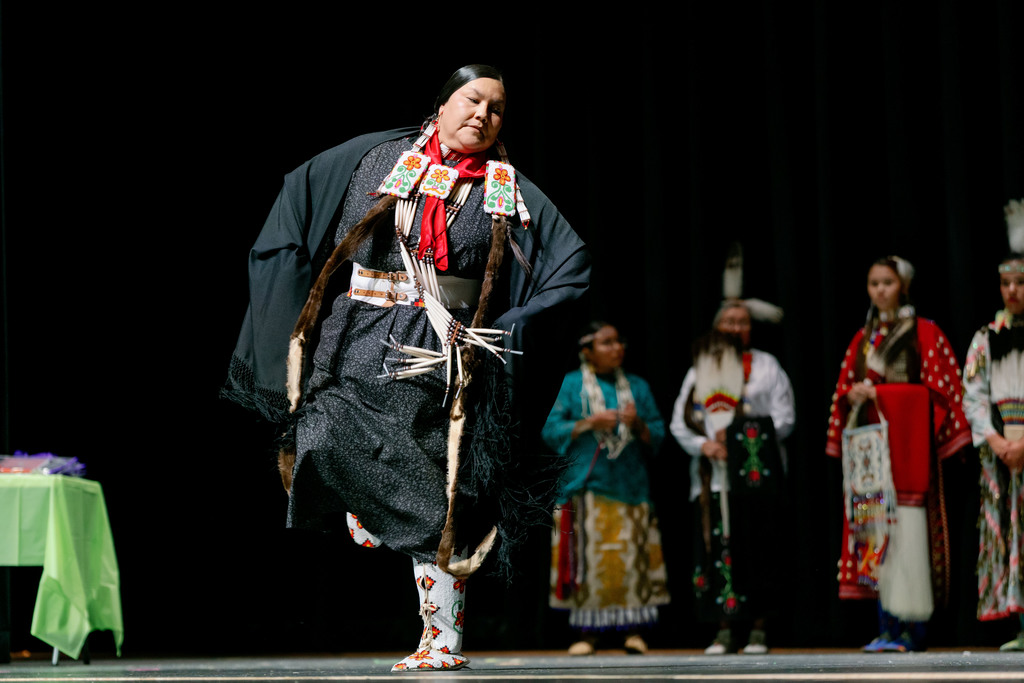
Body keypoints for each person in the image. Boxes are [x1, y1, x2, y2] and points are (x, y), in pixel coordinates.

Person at [223, 64, 590, 672]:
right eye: (472, 100)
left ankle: (441, 639)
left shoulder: (507, 188)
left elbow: (570, 261)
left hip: (439, 349)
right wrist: (285, 289)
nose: (483, 114)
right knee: (320, 434)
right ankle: (367, 505)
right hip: (356, 332)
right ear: (443, 104)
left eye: (497, 108)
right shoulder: (375, 157)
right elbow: (298, 196)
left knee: (430, 495)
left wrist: (514, 324)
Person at [825, 255, 971, 653]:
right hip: (871, 455)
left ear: (903, 286)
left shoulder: (923, 332)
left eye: (887, 283)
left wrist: (882, 394)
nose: (880, 291)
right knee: (875, 532)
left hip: (907, 452)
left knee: (907, 533)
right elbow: (843, 388)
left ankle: (912, 629)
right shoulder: (863, 338)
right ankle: (887, 627)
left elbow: (939, 391)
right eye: (873, 284)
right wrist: (853, 395)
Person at [670, 295, 795, 655]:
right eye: (729, 322)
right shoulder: (700, 368)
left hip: (756, 475)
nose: (735, 328)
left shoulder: (767, 366)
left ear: (750, 329)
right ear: (717, 327)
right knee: (717, 548)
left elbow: (785, 418)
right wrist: (705, 445)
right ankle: (724, 628)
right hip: (715, 475)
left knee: (759, 547)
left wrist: (741, 438)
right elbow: (680, 421)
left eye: (742, 322)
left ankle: (758, 628)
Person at [544, 322, 670, 656]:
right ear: (587, 351)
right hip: (585, 488)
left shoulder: (637, 387)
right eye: (607, 343)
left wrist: (638, 424)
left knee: (632, 559)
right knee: (587, 561)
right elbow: (550, 429)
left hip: (630, 488)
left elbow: (658, 433)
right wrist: (590, 423)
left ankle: (634, 631)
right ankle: (587, 634)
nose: (617, 348)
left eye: (619, 341)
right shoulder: (571, 385)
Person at [963, 199, 1024, 649]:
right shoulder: (986, 338)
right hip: (1001, 451)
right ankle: (1020, 625)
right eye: (1006, 283)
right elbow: (974, 395)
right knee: (1009, 529)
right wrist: (996, 440)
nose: (1013, 290)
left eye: (1021, 282)